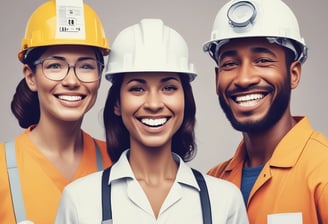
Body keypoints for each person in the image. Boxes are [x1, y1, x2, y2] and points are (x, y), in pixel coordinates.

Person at [55, 18, 248, 223]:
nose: (154, 104)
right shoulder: (78, 200)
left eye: (168, 88)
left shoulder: (224, 200)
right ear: (117, 104)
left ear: (185, 100)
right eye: (137, 88)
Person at [203, 0, 328, 223]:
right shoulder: (213, 181)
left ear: (294, 74)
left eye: (262, 60)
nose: (243, 79)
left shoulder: (323, 171)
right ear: (216, 79)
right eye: (230, 64)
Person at [0, 0, 112, 223]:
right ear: (31, 77)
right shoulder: (2, 167)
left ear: (99, 76)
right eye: (55, 65)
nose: (71, 81)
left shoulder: (118, 161)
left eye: (86, 66)